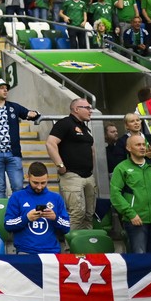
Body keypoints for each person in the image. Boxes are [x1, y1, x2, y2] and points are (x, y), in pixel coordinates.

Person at [0, 78, 40, 198]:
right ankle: (2, 215)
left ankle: (17, 214)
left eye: (6, 88)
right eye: (2, 88)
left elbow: (30, 114)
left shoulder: (13, 107)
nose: (5, 90)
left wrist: (34, 114)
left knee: (18, 186)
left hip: (12, 153)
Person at [46, 98, 96, 231]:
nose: (90, 111)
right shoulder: (65, 123)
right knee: (76, 214)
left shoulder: (85, 127)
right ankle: (71, 249)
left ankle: (87, 246)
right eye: (87, 108)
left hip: (88, 176)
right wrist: (60, 165)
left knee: (89, 214)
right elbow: (50, 143)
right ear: (76, 109)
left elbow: (90, 148)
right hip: (72, 176)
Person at [4, 162, 70, 254]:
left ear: (48, 178)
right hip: (26, 251)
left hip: (52, 252)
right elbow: (8, 225)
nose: (39, 187)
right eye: (35, 183)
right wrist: (26, 218)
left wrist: (55, 218)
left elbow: (67, 227)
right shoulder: (17, 197)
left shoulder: (56, 198)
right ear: (28, 177)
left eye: (43, 183)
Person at [110, 134, 151, 254]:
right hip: (136, 220)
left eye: (144, 144)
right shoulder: (122, 168)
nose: (142, 147)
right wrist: (130, 214)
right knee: (139, 256)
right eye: (138, 145)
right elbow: (115, 194)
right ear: (129, 148)